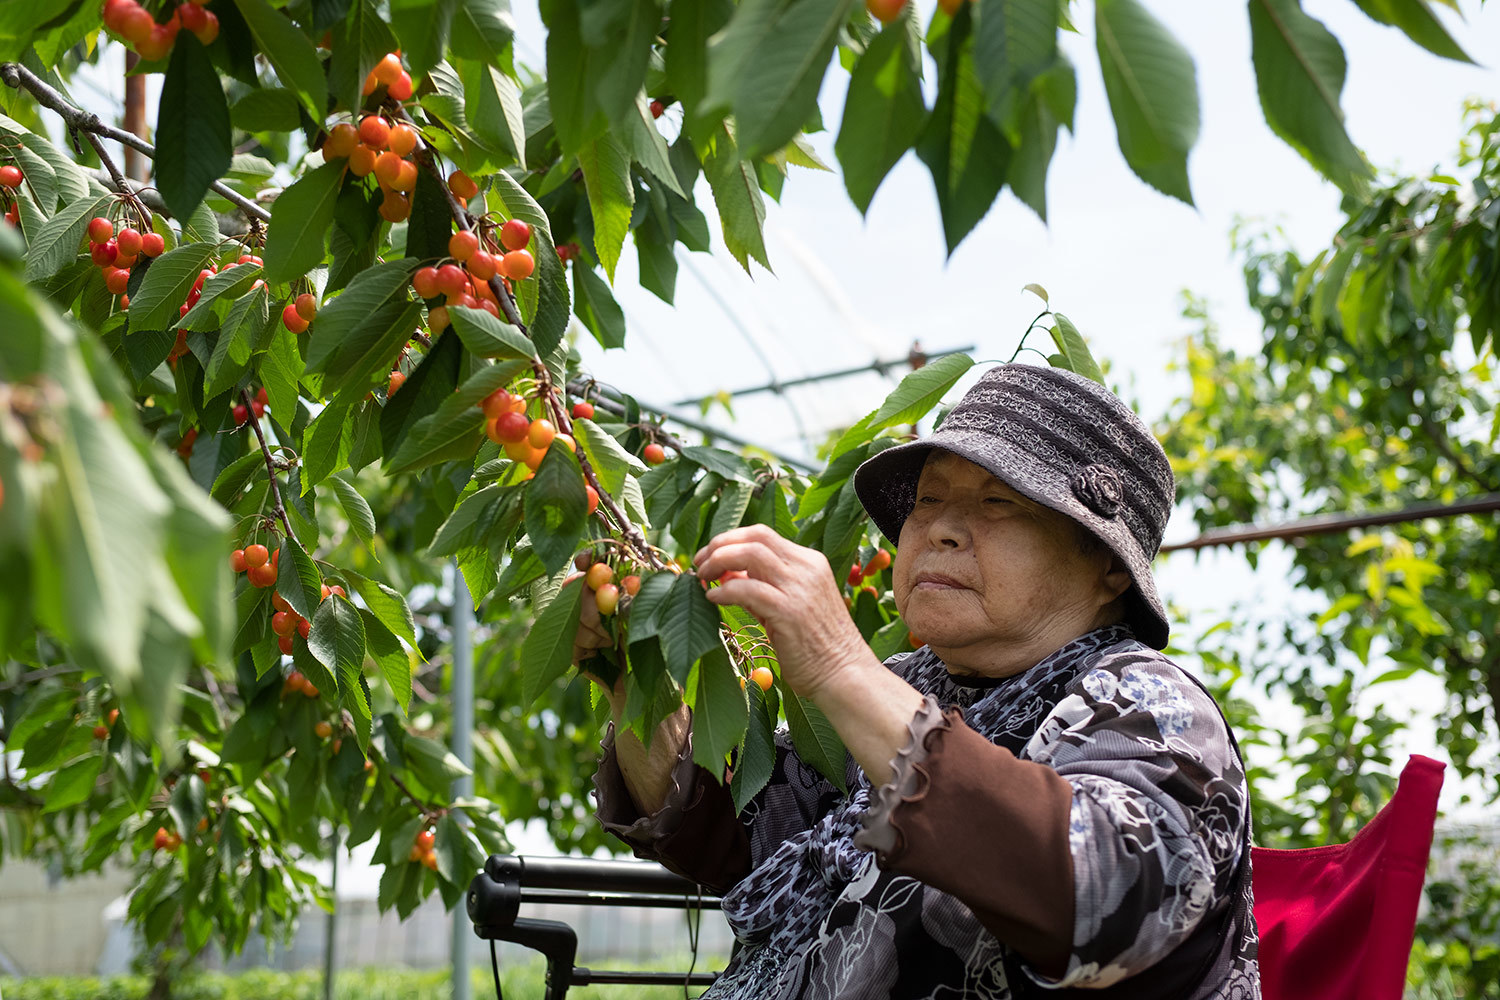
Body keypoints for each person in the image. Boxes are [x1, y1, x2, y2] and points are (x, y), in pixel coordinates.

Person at [577, 364, 1260, 999]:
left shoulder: (1155, 710)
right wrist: (637, 682)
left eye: (998, 502)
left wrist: (842, 667)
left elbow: (1101, 899)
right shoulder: (908, 687)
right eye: (927, 499)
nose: (939, 529)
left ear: (1107, 566)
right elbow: (734, 832)